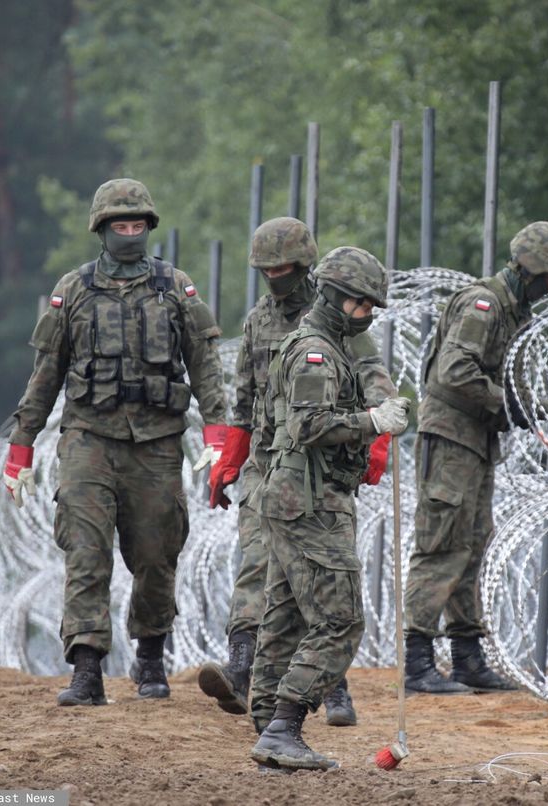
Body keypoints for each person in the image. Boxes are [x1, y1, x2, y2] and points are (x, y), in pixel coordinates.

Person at [2, 178, 228, 706]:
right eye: (119, 226)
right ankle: (86, 668)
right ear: (101, 230)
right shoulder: (74, 290)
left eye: (136, 225)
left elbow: (205, 366)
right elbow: (45, 374)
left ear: (148, 228)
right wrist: (21, 448)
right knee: (86, 552)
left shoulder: (176, 288)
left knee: (155, 555)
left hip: (157, 443)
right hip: (88, 439)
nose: (129, 234)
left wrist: (220, 434)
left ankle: (150, 656)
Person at [197, 218, 392, 727]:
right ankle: (242, 671)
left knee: (315, 581)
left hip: (320, 462)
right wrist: (230, 460)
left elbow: (377, 385)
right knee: (259, 565)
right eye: (266, 271)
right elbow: (244, 399)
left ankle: (333, 691)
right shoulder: (259, 321)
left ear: (306, 267)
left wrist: (376, 444)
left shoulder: (339, 313)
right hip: (268, 461)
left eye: (283, 269)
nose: (274, 278)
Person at [248, 246, 410, 771]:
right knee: (341, 620)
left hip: (296, 497)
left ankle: (268, 724)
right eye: (364, 306)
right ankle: (282, 727)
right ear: (341, 299)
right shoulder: (315, 351)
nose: (367, 316)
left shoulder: (323, 344)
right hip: (311, 501)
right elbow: (308, 425)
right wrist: (373, 422)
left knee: (286, 614)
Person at [404, 221, 548, 694]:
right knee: (441, 545)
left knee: (474, 542)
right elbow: (454, 371)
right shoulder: (483, 305)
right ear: (531, 268)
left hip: (476, 442)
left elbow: (508, 389)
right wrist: (508, 404)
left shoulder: (513, 313)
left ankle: (467, 657)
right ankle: (417, 660)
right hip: (450, 439)